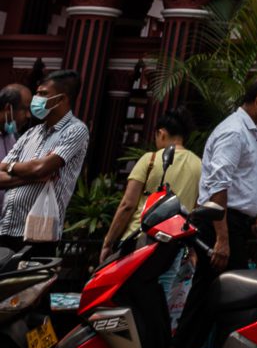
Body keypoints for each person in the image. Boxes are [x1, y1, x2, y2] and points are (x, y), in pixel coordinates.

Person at [176, 71, 257, 348]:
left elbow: (237, 185)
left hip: (234, 223)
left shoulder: (250, 132)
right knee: (217, 295)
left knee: (224, 297)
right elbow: (218, 187)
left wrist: (253, 220)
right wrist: (222, 238)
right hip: (221, 225)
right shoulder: (234, 132)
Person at [0, 68, 90, 246]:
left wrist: (18, 168)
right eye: (37, 93)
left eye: (43, 94)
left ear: (62, 99)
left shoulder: (76, 130)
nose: (37, 99)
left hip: (38, 231)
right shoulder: (31, 133)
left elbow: (40, 168)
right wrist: (29, 174)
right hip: (7, 226)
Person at [98, 106, 203, 260]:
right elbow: (196, 210)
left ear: (161, 134)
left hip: (138, 240)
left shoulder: (150, 159)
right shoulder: (199, 165)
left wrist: (108, 242)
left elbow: (127, 205)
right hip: (174, 246)